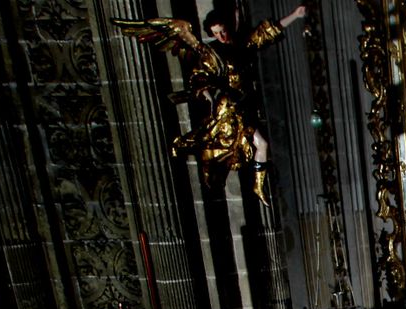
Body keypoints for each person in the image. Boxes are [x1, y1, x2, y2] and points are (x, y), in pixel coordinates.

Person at [115, 5, 308, 203]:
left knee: (258, 145)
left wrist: (295, 15)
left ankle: (257, 185)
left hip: (245, 104)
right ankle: (247, 182)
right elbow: (199, 78)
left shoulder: (242, 44)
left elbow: (267, 32)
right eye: (217, 33)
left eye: (223, 31)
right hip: (229, 107)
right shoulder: (211, 54)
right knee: (245, 144)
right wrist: (208, 95)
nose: (222, 36)